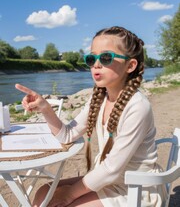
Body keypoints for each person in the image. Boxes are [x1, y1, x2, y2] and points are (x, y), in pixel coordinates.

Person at [15, 26, 167, 207]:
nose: (96, 64)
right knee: (43, 192)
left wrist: (70, 194)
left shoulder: (137, 107)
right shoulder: (99, 98)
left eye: (105, 57)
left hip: (134, 189)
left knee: (62, 203)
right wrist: (45, 108)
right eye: (91, 58)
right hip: (107, 179)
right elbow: (68, 135)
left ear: (130, 65)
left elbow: (111, 169)